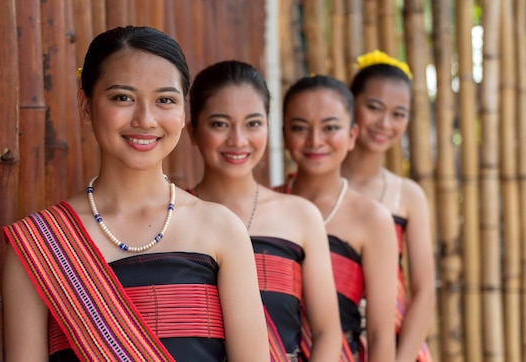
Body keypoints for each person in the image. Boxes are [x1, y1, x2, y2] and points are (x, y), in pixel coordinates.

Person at [1, 26, 270, 362]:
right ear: (86, 104)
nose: (145, 119)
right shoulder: (40, 245)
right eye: (122, 97)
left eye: (165, 100)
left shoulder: (220, 229)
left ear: (183, 111)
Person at [186, 60, 342, 361]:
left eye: (253, 123)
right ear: (192, 131)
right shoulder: (173, 217)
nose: (238, 140)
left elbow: (327, 332)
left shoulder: (300, 216)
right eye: (220, 124)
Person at [279, 75, 398, 362]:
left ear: (352, 135)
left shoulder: (372, 219)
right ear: (283, 134)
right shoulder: (266, 206)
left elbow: (382, 334)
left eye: (330, 128)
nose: (315, 141)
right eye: (299, 128)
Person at [341, 50, 435, 362]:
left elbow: (423, 291)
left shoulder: (408, 195)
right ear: (351, 105)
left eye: (398, 113)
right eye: (374, 107)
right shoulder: (319, 189)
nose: (385, 123)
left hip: (396, 347)